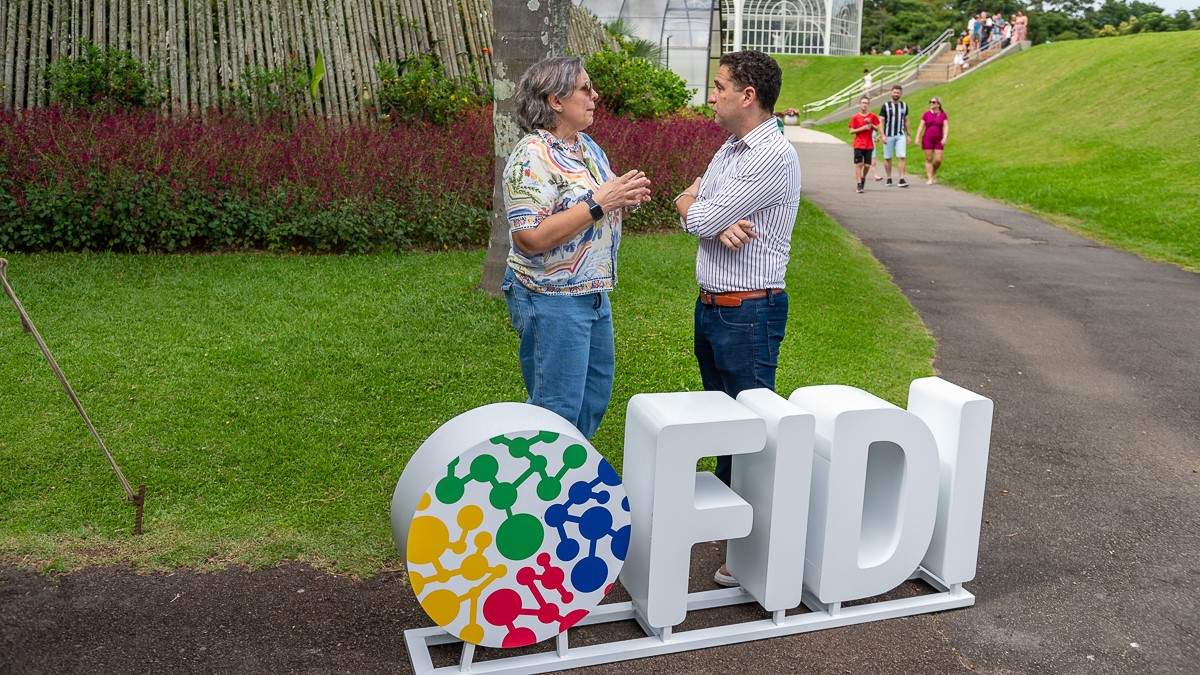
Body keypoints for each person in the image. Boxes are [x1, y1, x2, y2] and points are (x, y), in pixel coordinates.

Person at [671, 50, 801, 589]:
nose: (712, 94)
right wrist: (703, 213)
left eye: (720, 85)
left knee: (754, 434)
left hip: (748, 312)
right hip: (715, 308)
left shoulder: (771, 155)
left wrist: (704, 213)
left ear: (748, 95)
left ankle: (760, 554)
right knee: (727, 428)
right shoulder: (729, 148)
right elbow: (690, 205)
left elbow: (700, 211)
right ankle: (735, 535)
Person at [501, 56, 652, 439]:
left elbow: (600, 199)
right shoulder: (531, 156)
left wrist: (623, 196)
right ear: (555, 100)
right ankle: (539, 489)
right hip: (551, 295)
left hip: (593, 293)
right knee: (558, 407)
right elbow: (529, 238)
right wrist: (601, 203)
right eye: (585, 88)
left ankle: (571, 478)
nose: (594, 95)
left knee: (592, 398)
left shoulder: (585, 147)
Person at [878, 85, 911, 187]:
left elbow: (906, 120)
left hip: (900, 135)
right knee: (888, 157)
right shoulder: (885, 106)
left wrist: (908, 134)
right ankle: (889, 178)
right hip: (888, 135)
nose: (896, 94)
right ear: (891, 93)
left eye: (898, 92)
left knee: (902, 156)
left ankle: (901, 179)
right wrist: (882, 135)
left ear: (901, 94)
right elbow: (880, 121)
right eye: (894, 92)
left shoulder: (904, 106)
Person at [848, 95, 881, 193]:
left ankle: (863, 178)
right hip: (858, 144)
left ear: (868, 105)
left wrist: (870, 124)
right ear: (859, 104)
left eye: (866, 103)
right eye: (863, 103)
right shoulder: (855, 117)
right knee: (859, 164)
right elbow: (851, 131)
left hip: (869, 144)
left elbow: (877, 129)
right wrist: (863, 128)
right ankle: (859, 184)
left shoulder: (872, 116)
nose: (864, 105)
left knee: (867, 165)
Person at [915, 96, 949, 184]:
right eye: (930, 102)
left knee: (938, 160)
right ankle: (930, 178)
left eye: (933, 102)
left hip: (938, 139)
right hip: (927, 138)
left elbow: (946, 126)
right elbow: (921, 126)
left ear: (938, 104)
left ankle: (932, 171)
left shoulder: (943, 114)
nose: (931, 103)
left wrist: (945, 137)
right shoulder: (926, 114)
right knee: (929, 159)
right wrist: (917, 137)